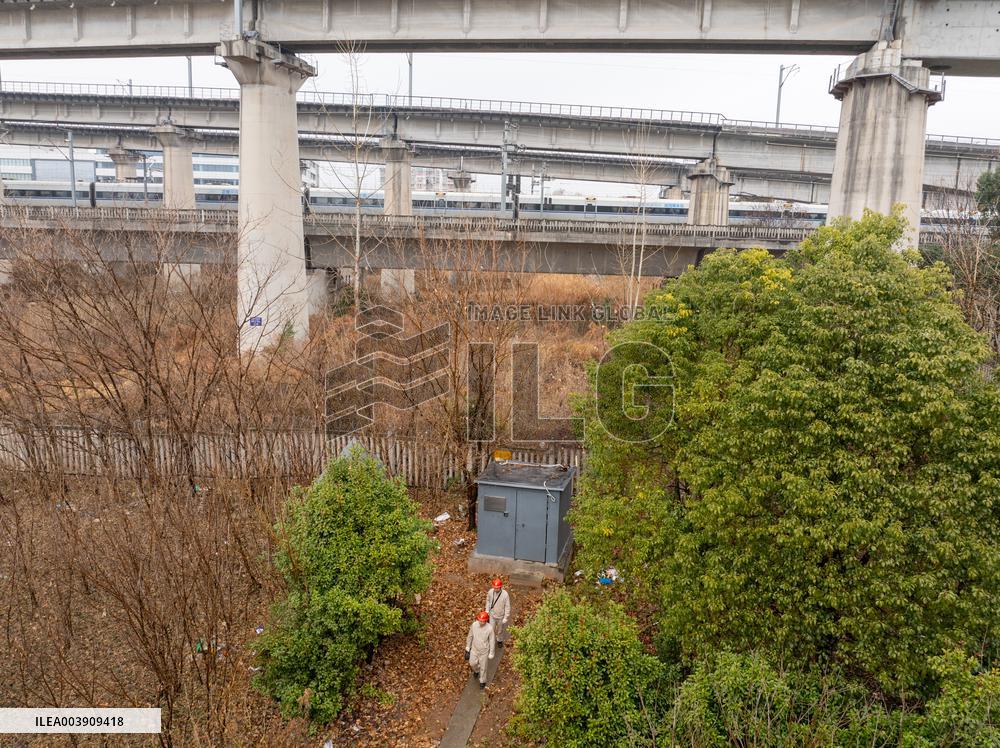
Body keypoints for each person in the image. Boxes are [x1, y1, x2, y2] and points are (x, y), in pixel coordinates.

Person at [464, 611, 495, 689]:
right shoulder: (474, 625)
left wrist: (491, 652)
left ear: (486, 620)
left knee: (483, 667)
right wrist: (468, 647)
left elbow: (492, 640)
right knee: (472, 663)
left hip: (484, 651)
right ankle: (476, 670)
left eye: (482, 621)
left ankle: (482, 681)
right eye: (480, 620)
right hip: (474, 649)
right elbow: (470, 636)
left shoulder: (489, 628)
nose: (481, 622)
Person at [486, 577, 511, 646]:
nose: (496, 589)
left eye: (497, 588)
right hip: (492, 615)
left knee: (500, 630)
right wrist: (487, 610)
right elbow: (488, 601)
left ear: (500, 587)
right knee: (491, 629)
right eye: (495, 588)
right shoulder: (490, 592)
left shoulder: (505, 594)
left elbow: (507, 606)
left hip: (501, 616)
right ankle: (491, 641)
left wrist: (506, 617)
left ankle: (499, 640)